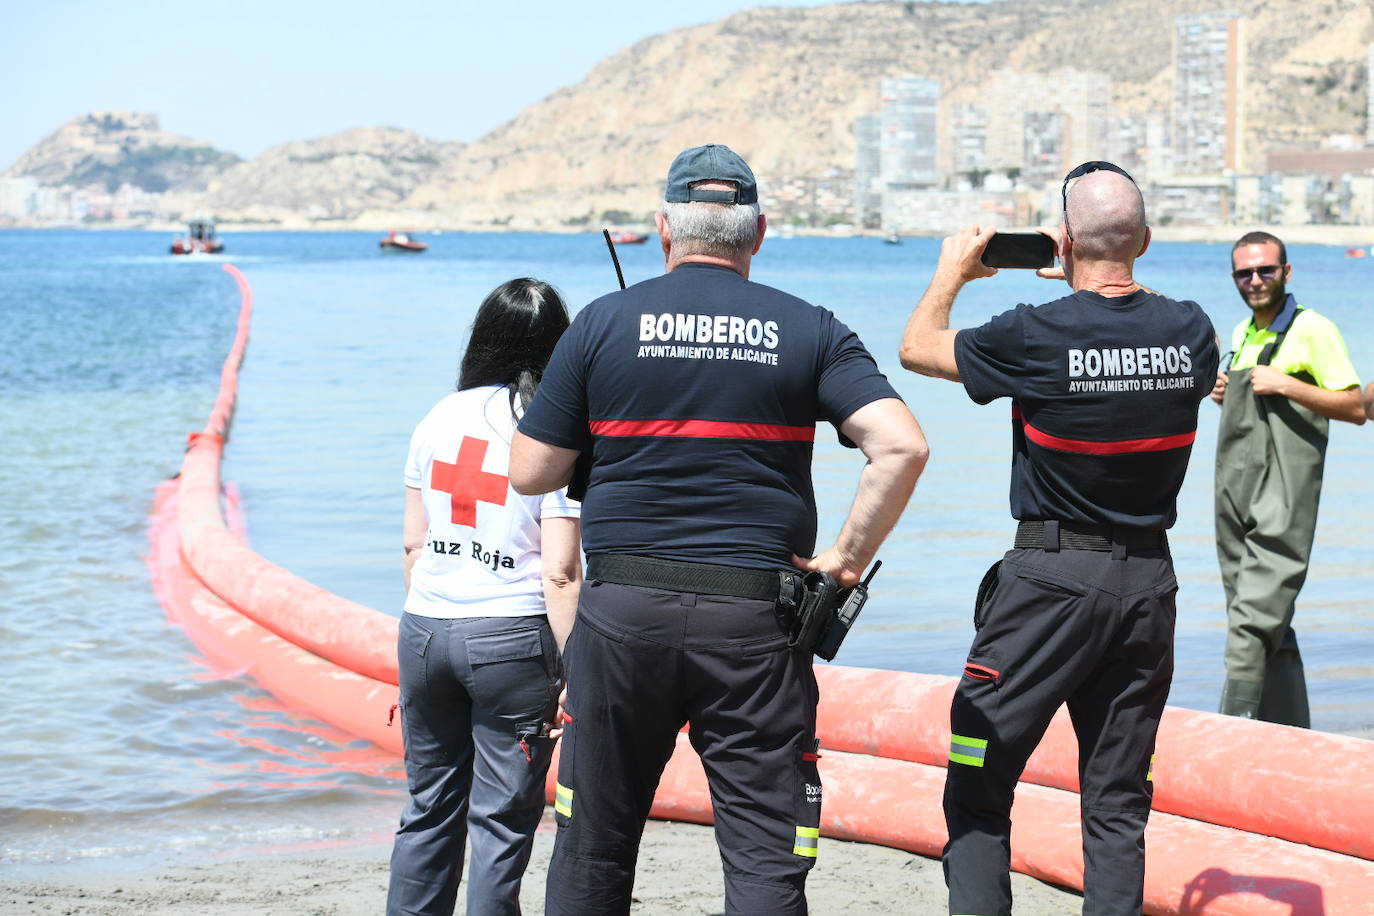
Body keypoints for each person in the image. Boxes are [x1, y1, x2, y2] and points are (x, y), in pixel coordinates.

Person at [508, 143, 928, 916]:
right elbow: (901, 446)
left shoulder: (603, 322)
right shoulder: (810, 327)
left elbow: (530, 473)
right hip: (754, 624)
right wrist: (842, 559)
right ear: (758, 232)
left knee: (592, 841)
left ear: (663, 230)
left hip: (622, 615)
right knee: (767, 850)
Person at [898, 161, 1218, 915]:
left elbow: (917, 346)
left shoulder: (1033, 333)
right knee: (1116, 802)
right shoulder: (1192, 331)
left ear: (1065, 240)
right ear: (1143, 237)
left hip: (1050, 584)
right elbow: (1127, 339)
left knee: (977, 783)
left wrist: (956, 272)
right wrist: (1084, 275)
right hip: (1148, 586)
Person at [387, 278, 582, 916]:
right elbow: (559, 571)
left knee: (426, 809)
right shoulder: (550, 428)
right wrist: (574, 670)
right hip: (512, 639)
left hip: (425, 631)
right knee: (500, 822)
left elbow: (414, 546)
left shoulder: (436, 418)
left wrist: (442, 613)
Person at [1211, 231, 1366, 727]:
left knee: (1252, 622)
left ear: (1287, 272)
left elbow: (1358, 406)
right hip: (1235, 495)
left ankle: (1229, 736)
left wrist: (1288, 385)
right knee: (1258, 618)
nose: (1255, 281)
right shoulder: (1241, 334)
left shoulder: (1313, 330)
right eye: (1244, 273)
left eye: (1265, 270)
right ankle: (1293, 734)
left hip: (1284, 495)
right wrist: (1224, 389)